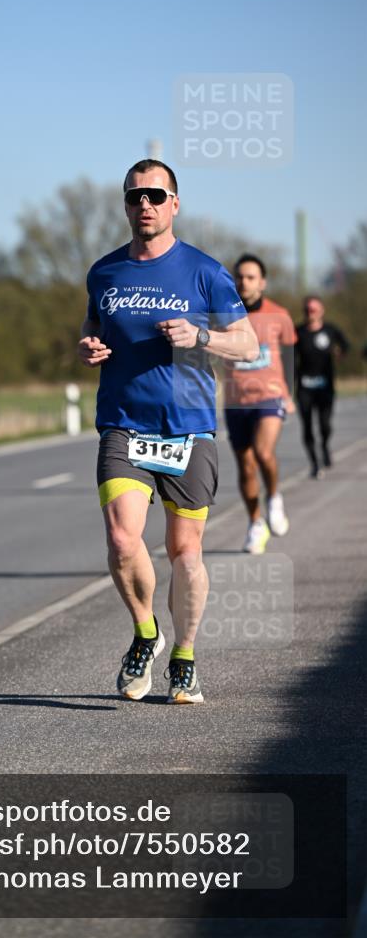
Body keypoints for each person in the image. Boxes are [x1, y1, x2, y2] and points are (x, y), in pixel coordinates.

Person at [78, 159, 258, 704]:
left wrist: (200, 336)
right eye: (135, 197)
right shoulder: (104, 272)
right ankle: (145, 633)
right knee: (121, 537)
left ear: (175, 203)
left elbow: (247, 345)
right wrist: (89, 343)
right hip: (124, 424)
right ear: (126, 205)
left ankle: (184, 655)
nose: (145, 205)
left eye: (156, 196)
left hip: (188, 429)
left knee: (185, 553)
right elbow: (93, 320)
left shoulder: (205, 272)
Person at [222, 255, 297, 555]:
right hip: (236, 400)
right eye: (240, 276)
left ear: (262, 282)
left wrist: (289, 393)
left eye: (251, 277)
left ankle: (274, 497)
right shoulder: (224, 315)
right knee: (245, 464)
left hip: (270, 396)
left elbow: (290, 358)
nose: (244, 282)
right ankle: (255, 523)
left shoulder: (279, 315)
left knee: (264, 452)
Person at [295, 295, 349, 478]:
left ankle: (325, 446)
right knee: (307, 427)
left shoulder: (330, 330)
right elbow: (290, 358)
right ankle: (314, 463)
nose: (311, 313)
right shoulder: (299, 332)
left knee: (325, 425)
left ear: (322, 311)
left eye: (314, 309)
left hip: (325, 387)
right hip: (304, 387)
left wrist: (341, 353)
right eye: (308, 310)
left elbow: (345, 345)